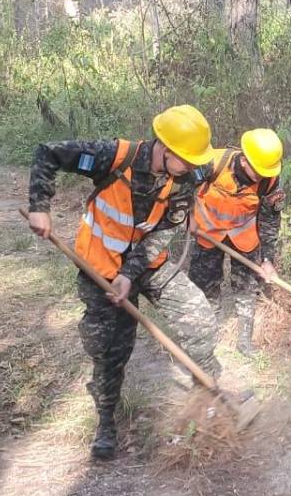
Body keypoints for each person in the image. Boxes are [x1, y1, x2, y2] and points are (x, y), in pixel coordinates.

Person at [26, 104, 226, 462]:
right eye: (186, 160)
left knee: (199, 318)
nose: (193, 167)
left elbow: (162, 232)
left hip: (149, 263)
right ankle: (106, 421)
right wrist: (40, 205)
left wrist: (130, 275)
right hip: (100, 266)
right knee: (108, 348)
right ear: (164, 149)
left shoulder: (186, 177)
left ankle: (208, 394)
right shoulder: (113, 156)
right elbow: (48, 152)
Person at [189, 128, 286, 356]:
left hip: (244, 238)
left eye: (266, 171)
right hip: (208, 233)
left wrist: (267, 259)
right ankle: (207, 338)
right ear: (244, 160)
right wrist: (186, 215)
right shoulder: (213, 162)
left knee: (246, 289)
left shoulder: (270, 180)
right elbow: (181, 187)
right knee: (206, 286)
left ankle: (244, 342)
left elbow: (270, 219)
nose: (262, 175)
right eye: (258, 170)